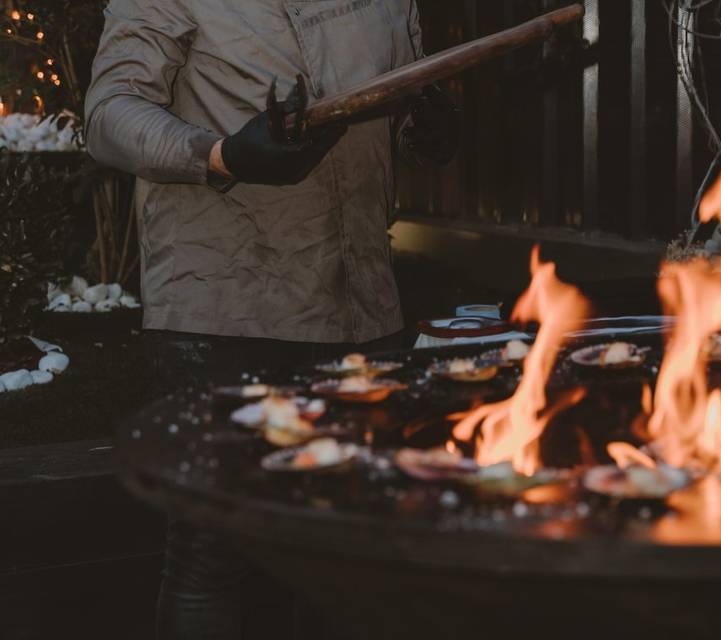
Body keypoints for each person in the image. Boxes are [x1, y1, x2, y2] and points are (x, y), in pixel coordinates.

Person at [84, 1, 457, 637]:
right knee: (213, 548)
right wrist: (223, 155)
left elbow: (403, 96)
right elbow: (108, 114)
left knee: (348, 548)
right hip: (223, 309)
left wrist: (425, 128)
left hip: (362, 308)